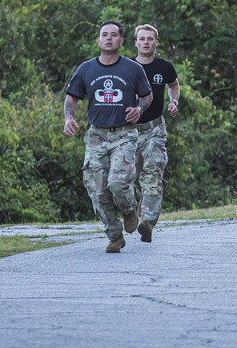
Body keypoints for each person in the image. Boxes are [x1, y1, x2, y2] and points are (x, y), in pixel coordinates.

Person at [64, 21, 153, 253]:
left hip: (124, 133)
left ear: (121, 41)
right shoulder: (86, 69)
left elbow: (147, 96)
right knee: (97, 189)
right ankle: (115, 236)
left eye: (114, 35)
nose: (109, 38)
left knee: (117, 183)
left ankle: (129, 210)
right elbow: (72, 98)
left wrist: (139, 109)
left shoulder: (133, 69)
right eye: (105, 35)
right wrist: (68, 118)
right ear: (98, 40)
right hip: (97, 135)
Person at [130, 24, 180, 243]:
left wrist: (173, 101)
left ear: (156, 43)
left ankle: (148, 222)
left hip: (155, 129)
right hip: (129, 131)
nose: (146, 42)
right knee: (130, 178)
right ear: (136, 43)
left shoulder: (164, 67)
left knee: (153, 171)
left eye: (150, 39)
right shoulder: (127, 66)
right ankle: (137, 207)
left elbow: (174, 85)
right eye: (142, 39)